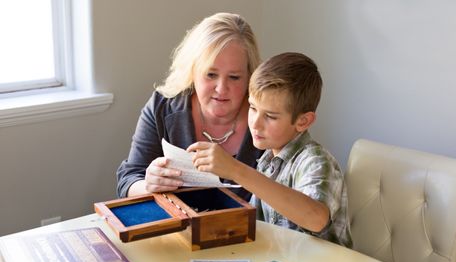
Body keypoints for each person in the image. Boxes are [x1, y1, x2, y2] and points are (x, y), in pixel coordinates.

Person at [187, 52, 352, 246]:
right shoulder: (267, 160)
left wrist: (235, 170)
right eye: (253, 108)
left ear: (303, 121)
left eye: (271, 116)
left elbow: (315, 219)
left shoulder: (316, 160)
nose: (255, 124)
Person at [116, 12, 262, 201]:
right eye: (211, 74)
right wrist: (148, 185)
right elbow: (127, 179)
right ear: (192, 71)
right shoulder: (162, 106)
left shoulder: (266, 115)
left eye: (234, 77)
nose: (221, 88)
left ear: (250, 75)